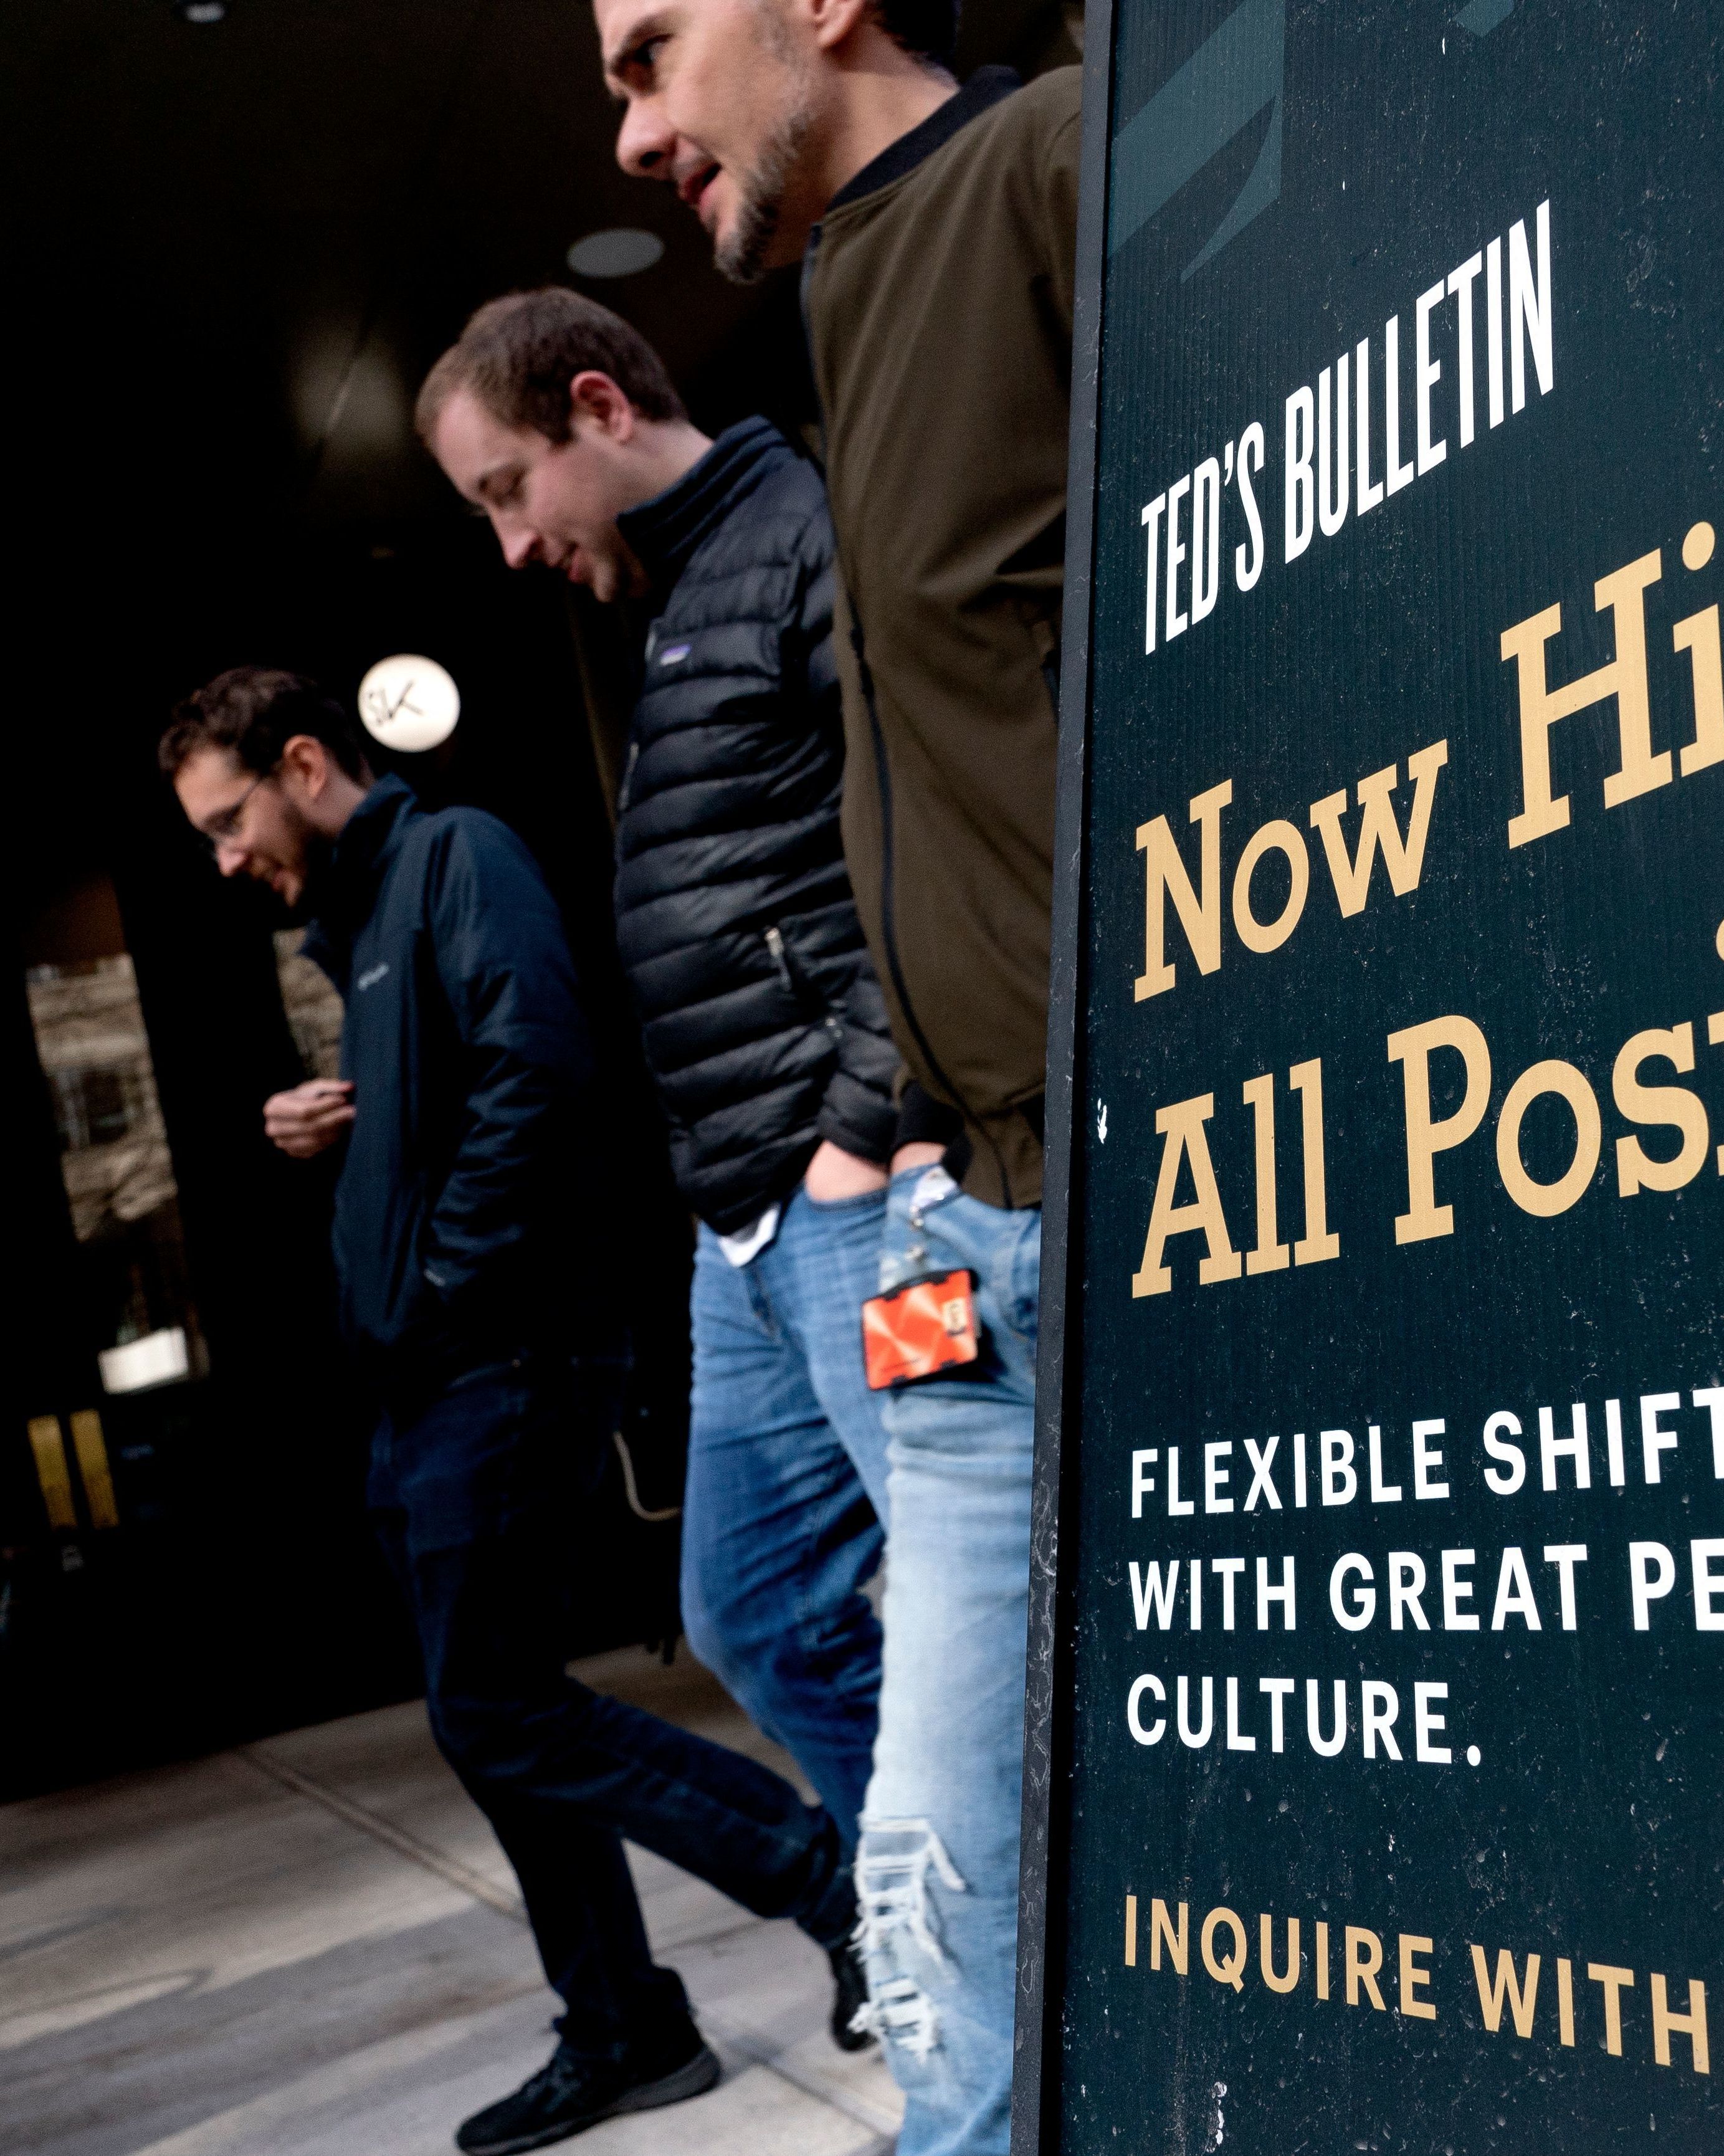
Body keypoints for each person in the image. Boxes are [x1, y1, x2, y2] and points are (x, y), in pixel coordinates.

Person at [163, 671, 862, 2156]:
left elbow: (540, 1079)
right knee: (496, 1723)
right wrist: (330, 1129)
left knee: (496, 1703)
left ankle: (826, 1879)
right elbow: (442, 1110)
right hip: (429, 1379)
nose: (224, 858)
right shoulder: (364, 926)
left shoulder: (457, 856)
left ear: (302, 761)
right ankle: (623, 2024)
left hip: (500, 1359)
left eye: (231, 820)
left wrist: (432, 1286)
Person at [596, 2, 1079, 2149]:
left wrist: (840, 1121)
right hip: (950, 1223)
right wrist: (889, 1146)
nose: (629, 126)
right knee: (926, 1872)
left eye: (647, 49)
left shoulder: (1065, 172)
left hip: (1117, 1191)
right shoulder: (840, 309)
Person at [414, 290, 899, 2057]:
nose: (513, 539)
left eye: (503, 488)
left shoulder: (800, 532)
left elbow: (924, 835)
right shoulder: (681, 600)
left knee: (975, 1607)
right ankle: (909, 1901)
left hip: (842, 1198)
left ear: (597, 405)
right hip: (744, 1221)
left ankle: (982, 1932)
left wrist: (860, 1130)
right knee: (751, 1607)